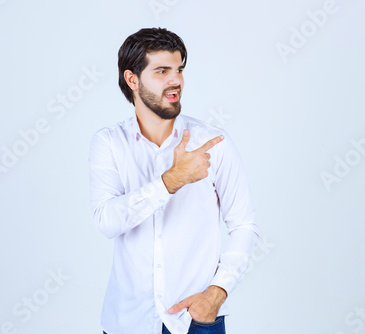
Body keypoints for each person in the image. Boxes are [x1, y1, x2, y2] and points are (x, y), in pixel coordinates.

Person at [89, 27, 259, 334]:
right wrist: (171, 181)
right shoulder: (109, 142)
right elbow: (107, 221)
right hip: (127, 322)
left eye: (179, 69)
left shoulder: (212, 142)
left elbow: (244, 225)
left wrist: (216, 294)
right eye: (162, 71)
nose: (176, 80)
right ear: (132, 80)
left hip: (196, 321)